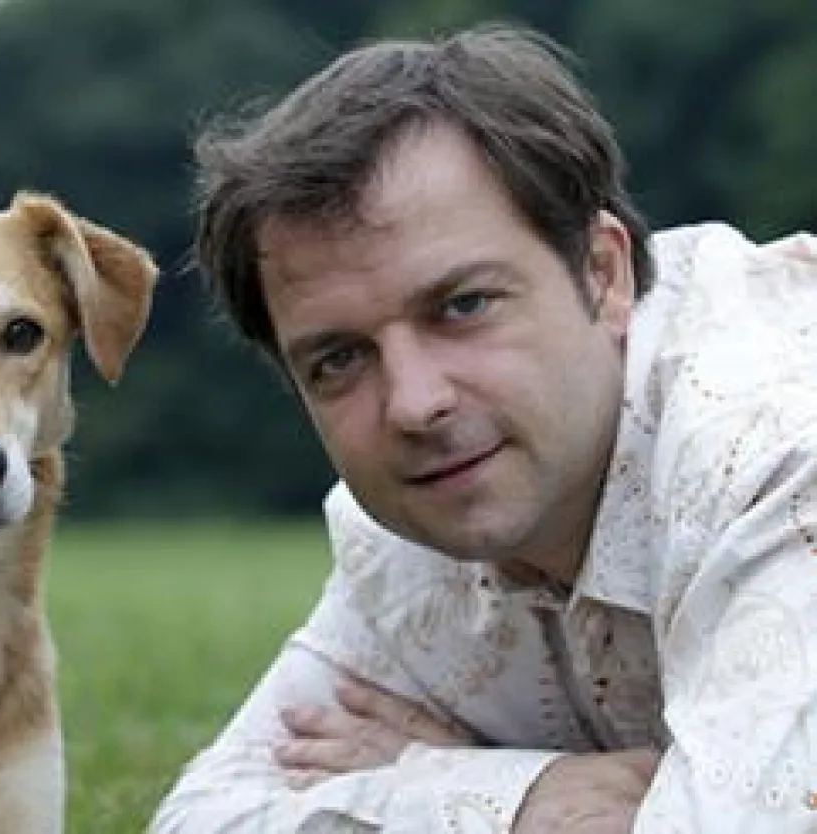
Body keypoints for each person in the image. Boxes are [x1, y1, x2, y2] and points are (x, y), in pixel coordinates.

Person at [150, 22, 817, 834]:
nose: (413, 404)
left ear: (601, 273)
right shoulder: (404, 533)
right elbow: (197, 820)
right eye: (339, 359)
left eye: (462, 306)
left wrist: (417, 788)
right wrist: (518, 799)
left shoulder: (773, 448)